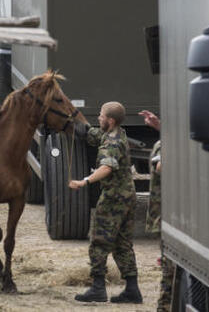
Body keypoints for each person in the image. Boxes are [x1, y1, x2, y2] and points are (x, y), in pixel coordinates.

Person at [69, 101, 142, 304]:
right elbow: (92, 134)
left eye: (101, 116)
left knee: (99, 242)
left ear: (109, 120)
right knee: (123, 244)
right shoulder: (118, 133)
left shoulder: (111, 143)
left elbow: (107, 168)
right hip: (128, 197)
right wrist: (73, 123)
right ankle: (132, 290)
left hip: (113, 199)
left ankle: (98, 288)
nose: (98, 118)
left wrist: (84, 181)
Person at [140, 109, 174, 312]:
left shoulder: (169, 146)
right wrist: (160, 127)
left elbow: (161, 167)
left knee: (169, 272)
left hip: (170, 215)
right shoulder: (170, 142)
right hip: (166, 213)